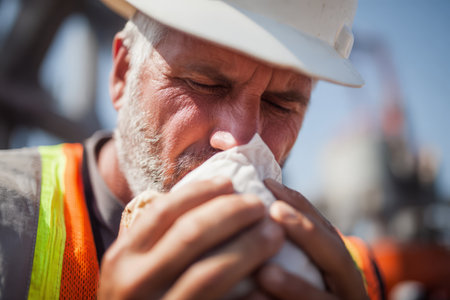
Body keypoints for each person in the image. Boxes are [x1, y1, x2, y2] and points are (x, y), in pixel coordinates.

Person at [0, 0, 384, 299]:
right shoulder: (10, 222)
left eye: (280, 104)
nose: (240, 139)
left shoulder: (341, 270)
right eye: (203, 84)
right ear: (122, 74)